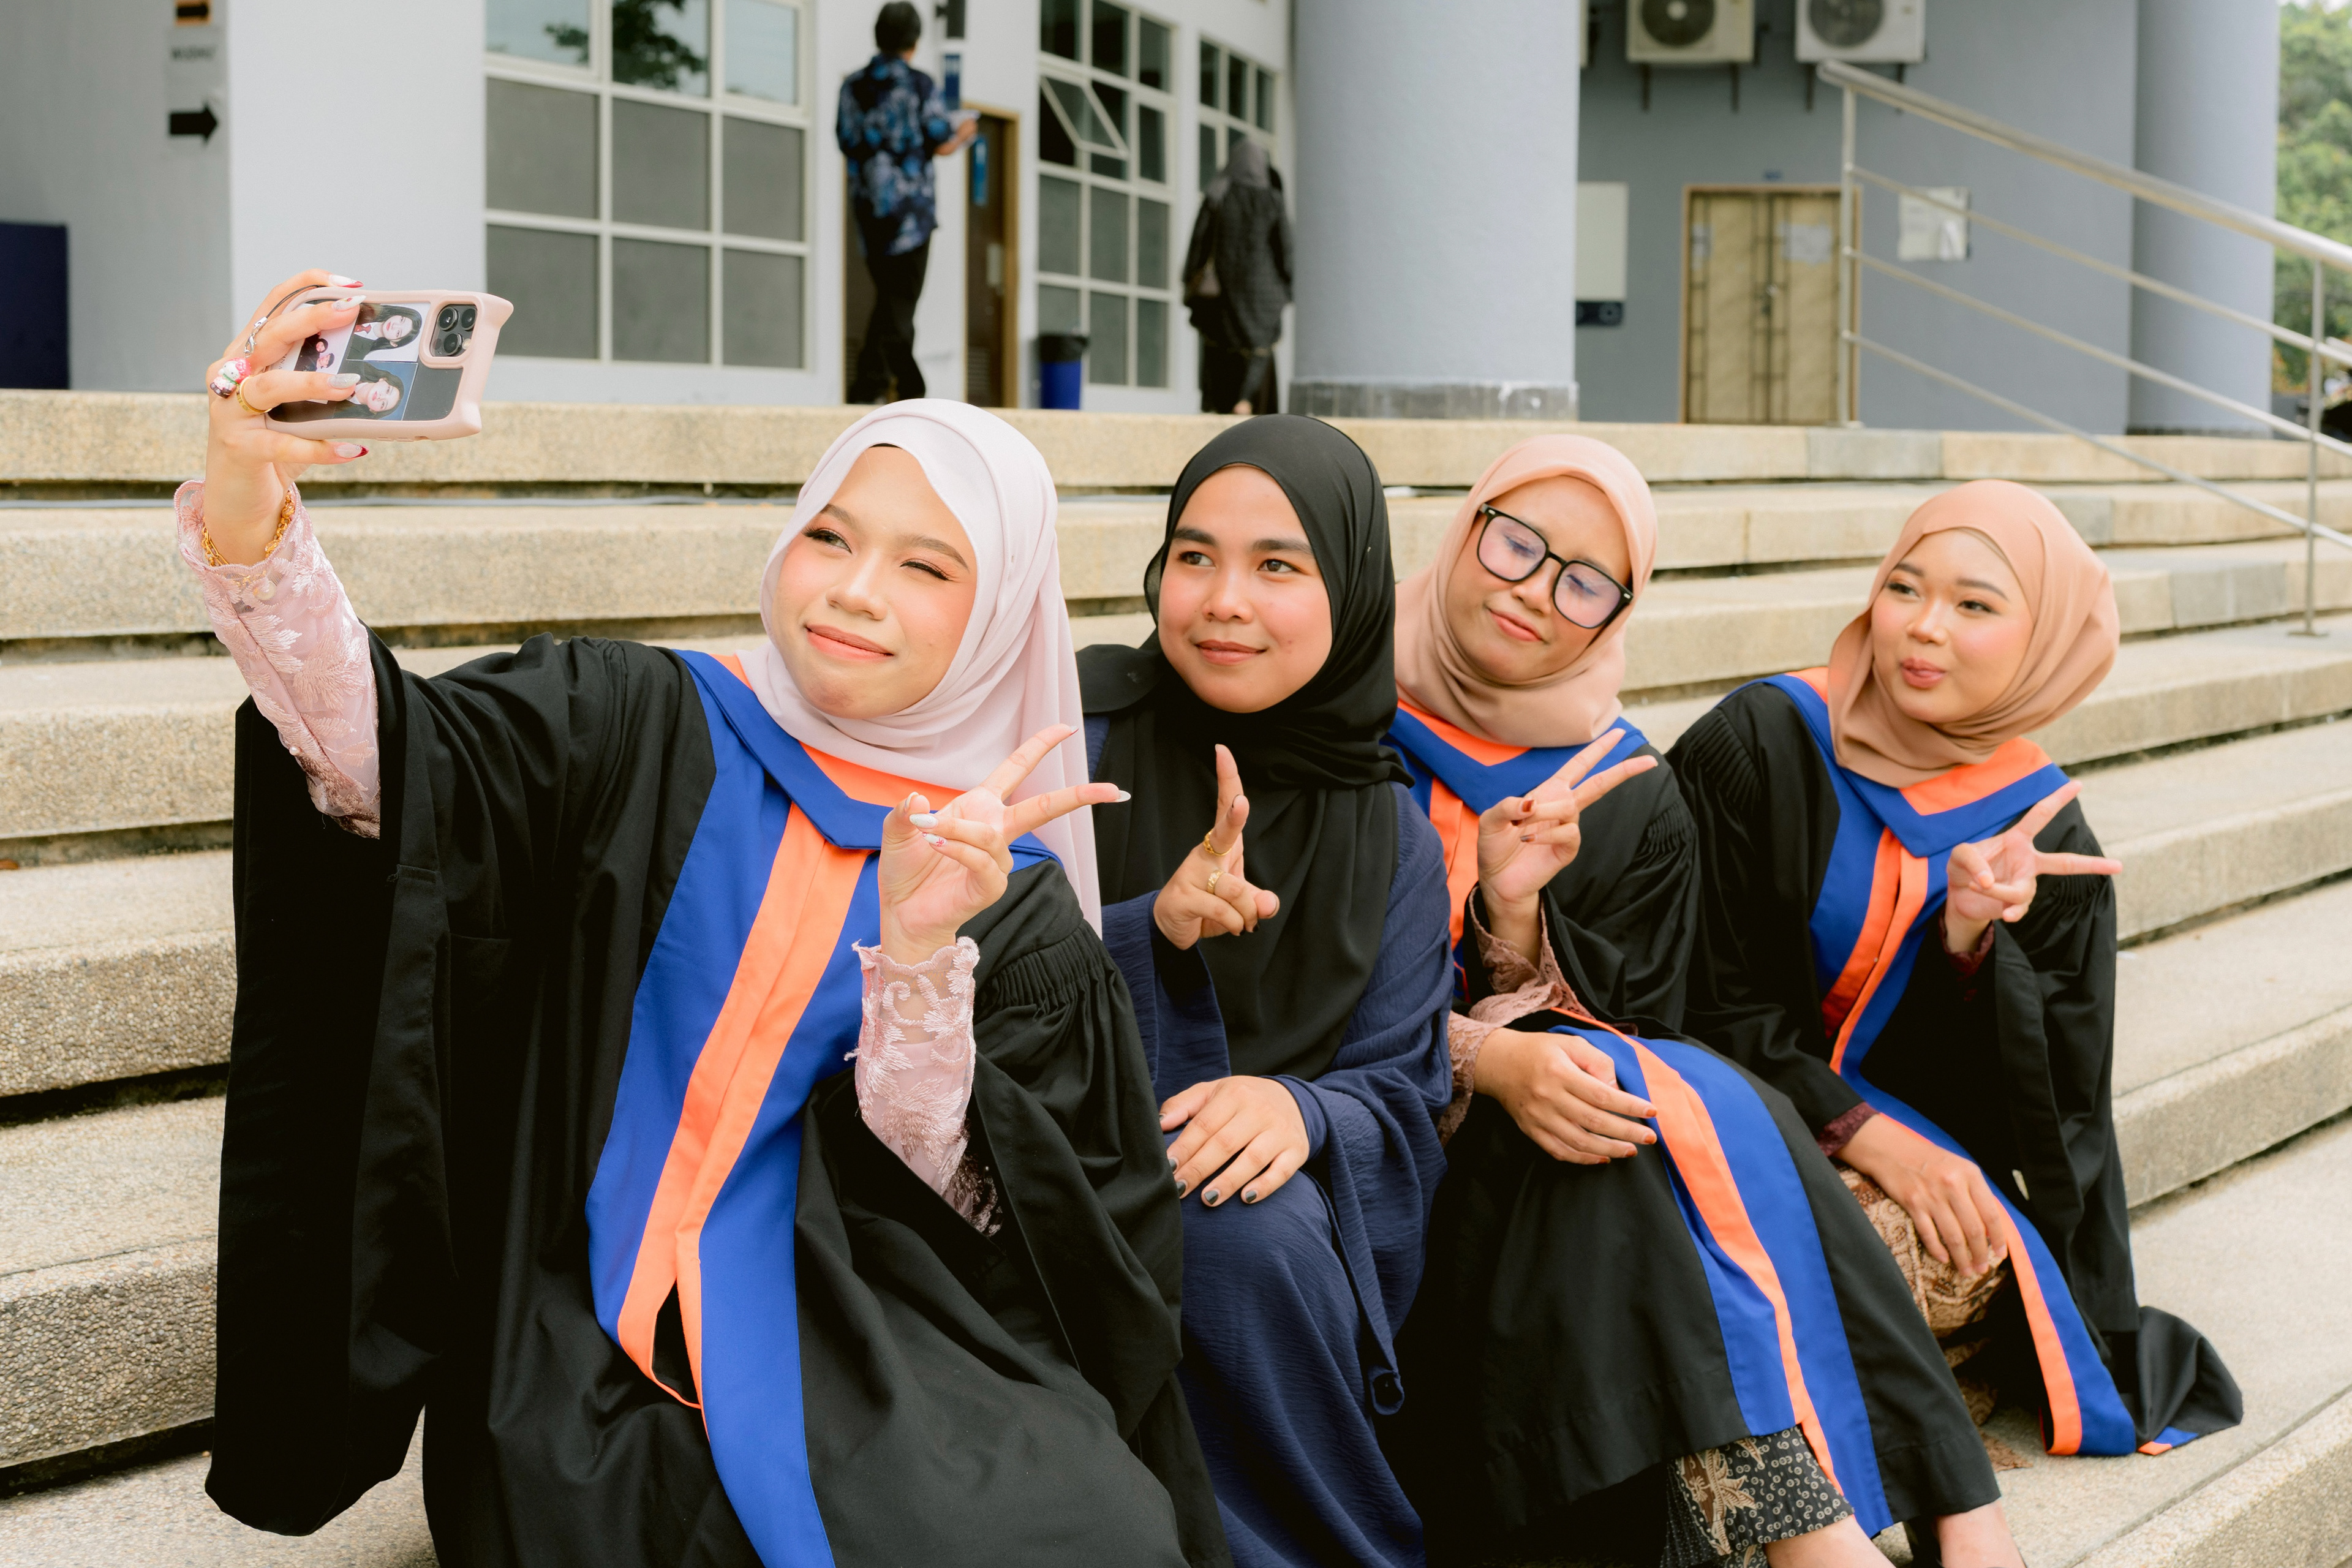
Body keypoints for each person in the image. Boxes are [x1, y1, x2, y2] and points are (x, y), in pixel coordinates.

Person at [186, 271, 1229, 1568]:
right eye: (831, 537)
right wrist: (248, 507)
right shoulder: (634, 720)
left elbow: (1017, 1227)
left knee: (1086, 1528)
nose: (855, 590)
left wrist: (918, 958)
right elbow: (377, 765)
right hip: (576, 1330)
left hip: (868, 1327)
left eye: (927, 566)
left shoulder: (1002, 886)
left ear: (1000, 612)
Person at [1383, 436, 2025, 1568]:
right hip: (1383, 1154)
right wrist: (1497, 1057)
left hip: (1565, 1162)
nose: (1534, 590)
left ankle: (1862, 1521)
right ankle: (1933, 1508)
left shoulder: (1627, 792)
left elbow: (1644, 1022)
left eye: (1585, 582)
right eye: (1516, 543)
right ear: (1465, 525)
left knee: (1646, 1093)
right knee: (1654, 1107)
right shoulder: (1333, 729)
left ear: (1618, 615)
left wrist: (1514, 923)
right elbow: (1298, 1002)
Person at [1670, 480, 2244, 1473]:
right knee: (1747, 1257)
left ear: (2044, 641)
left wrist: (1969, 943)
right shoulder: (1762, 741)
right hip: (1719, 1106)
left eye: (1975, 605)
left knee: (1926, 1254)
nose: (1924, 628)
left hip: (1918, 1154)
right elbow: (1689, 991)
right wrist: (1865, 1133)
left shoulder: (2043, 833)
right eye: (1904, 587)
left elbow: (2051, 1108)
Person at [1078, 417, 1453, 1568]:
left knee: (1247, 1230)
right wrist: (1152, 930)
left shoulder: (1391, 830)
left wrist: (1301, 1109)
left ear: (1351, 589)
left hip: (1264, 1212)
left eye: (1278, 565)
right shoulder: (1079, 736)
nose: (1223, 601)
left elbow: (1403, 1088)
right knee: (1212, 1230)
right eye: (1194, 556)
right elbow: (964, 962)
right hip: (1052, 1145)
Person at [837, 1, 975, 403]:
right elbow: (942, 141)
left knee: (891, 300)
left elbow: (846, 140)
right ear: (914, 42)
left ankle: (896, 387)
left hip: (870, 210)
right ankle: (879, 388)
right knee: (899, 303)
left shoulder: (853, 87)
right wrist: (965, 132)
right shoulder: (919, 85)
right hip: (911, 215)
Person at [1182, 140, 1292, 416]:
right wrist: (1288, 287)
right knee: (1259, 350)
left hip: (1224, 295)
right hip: (1264, 295)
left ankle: (1223, 404)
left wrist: (1190, 280)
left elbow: (1199, 242)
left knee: (1222, 353)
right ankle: (1247, 399)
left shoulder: (1218, 194)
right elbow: (1285, 249)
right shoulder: (1272, 199)